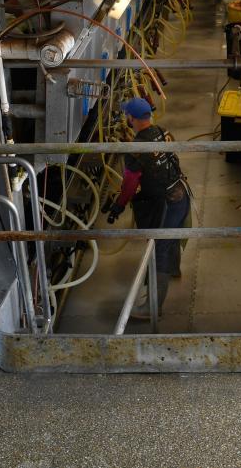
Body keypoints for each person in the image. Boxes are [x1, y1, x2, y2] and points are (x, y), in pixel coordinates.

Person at [103, 97, 190, 318]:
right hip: (182, 192)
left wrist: (118, 206)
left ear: (130, 118)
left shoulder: (136, 150)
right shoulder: (164, 131)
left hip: (166, 203)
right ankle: (174, 270)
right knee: (173, 234)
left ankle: (152, 309)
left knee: (158, 249)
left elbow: (130, 184)